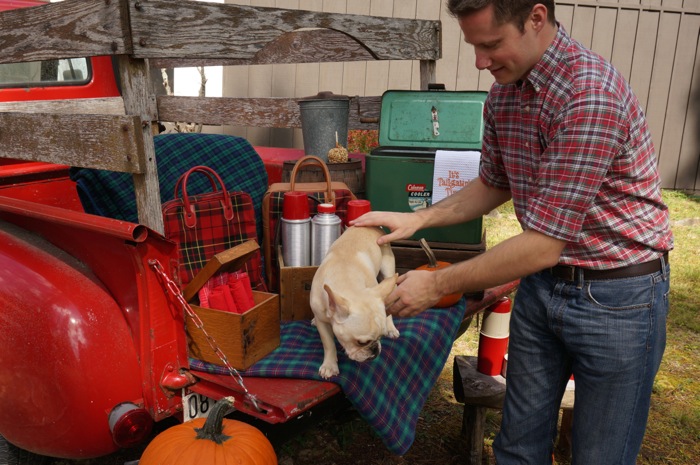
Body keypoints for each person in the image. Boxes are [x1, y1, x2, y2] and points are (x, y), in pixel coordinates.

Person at [351, 0, 674, 463]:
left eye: (491, 44)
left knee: (600, 455)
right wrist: (417, 219)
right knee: (517, 447)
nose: (481, 61)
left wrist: (437, 284)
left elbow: (543, 244)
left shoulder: (588, 94)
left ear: (536, 19)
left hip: (619, 297)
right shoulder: (504, 95)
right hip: (544, 288)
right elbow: (494, 181)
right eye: (473, 46)